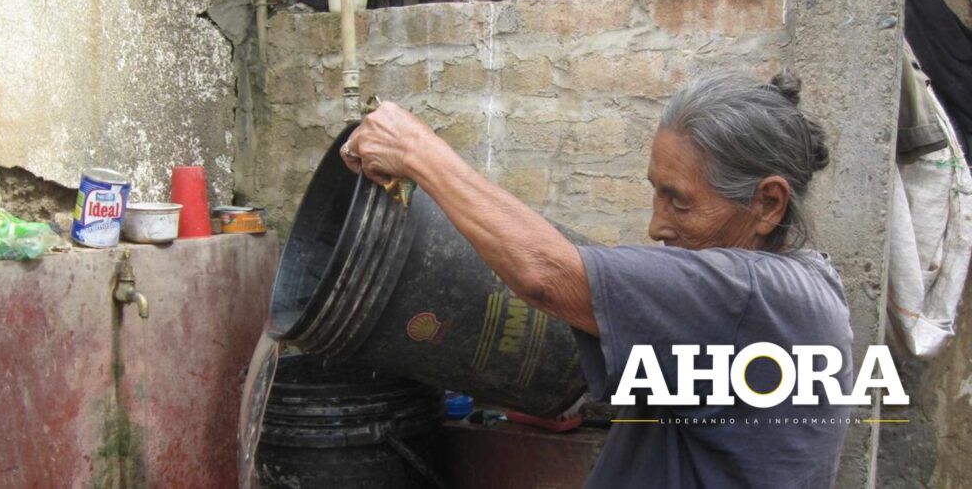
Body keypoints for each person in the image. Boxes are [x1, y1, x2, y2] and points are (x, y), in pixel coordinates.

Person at [340, 71, 853, 488]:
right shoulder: (804, 288)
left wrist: (416, 151)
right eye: (655, 193)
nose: (657, 225)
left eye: (678, 200)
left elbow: (543, 273)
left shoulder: (746, 294)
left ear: (767, 203)